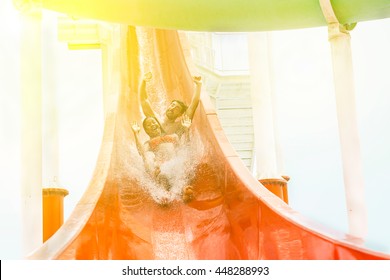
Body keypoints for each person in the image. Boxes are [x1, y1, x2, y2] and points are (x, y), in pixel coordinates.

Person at [131, 115, 194, 204]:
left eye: (154, 122)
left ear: (158, 124)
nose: (152, 124)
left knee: (185, 162)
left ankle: (182, 190)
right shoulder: (149, 143)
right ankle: (165, 194)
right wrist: (136, 134)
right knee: (160, 172)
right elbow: (142, 153)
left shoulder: (173, 136)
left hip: (175, 166)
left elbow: (185, 149)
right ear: (146, 131)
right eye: (148, 125)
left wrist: (186, 130)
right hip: (162, 169)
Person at [139, 72, 202, 137]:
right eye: (172, 105)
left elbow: (193, 106)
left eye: (177, 108)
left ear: (180, 114)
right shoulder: (155, 120)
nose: (172, 108)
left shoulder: (179, 126)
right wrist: (143, 82)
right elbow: (143, 100)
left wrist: (198, 85)